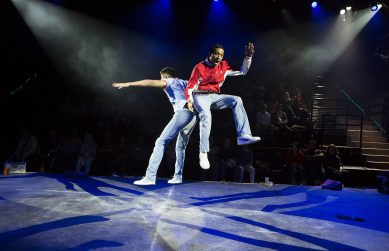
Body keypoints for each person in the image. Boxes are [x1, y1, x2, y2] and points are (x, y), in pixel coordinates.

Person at [113, 67, 197, 185]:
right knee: (180, 147)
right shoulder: (184, 82)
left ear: (166, 76)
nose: (161, 80)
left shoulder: (169, 81)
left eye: (161, 77)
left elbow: (149, 82)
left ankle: (150, 177)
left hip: (182, 113)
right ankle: (178, 176)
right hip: (193, 116)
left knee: (160, 142)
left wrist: (128, 84)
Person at [184, 42, 261, 169]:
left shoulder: (224, 66)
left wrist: (248, 57)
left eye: (221, 55)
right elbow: (189, 88)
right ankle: (203, 152)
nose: (219, 57)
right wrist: (190, 101)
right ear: (211, 54)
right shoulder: (199, 67)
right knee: (206, 116)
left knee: (236, 100)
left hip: (214, 96)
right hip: (200, 96)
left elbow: (243, 71)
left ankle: (243, 136)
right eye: (217, 54)